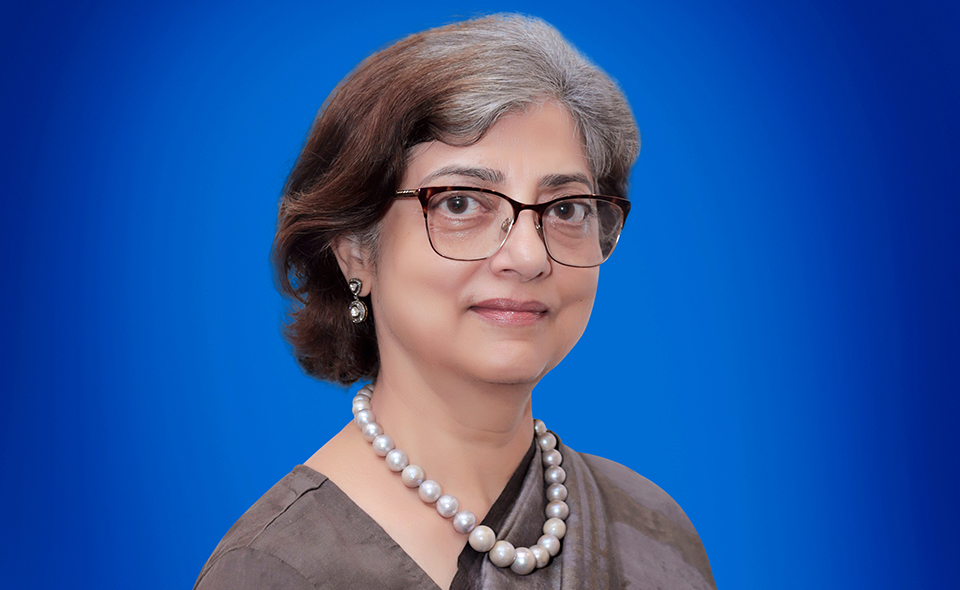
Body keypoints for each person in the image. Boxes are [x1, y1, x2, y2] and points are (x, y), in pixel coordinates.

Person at [194, 13, 715, 590]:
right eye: (462, 204)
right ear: (354, 251)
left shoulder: (654, 531)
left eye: (566, 209)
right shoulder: (275, 569)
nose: (527, 255)